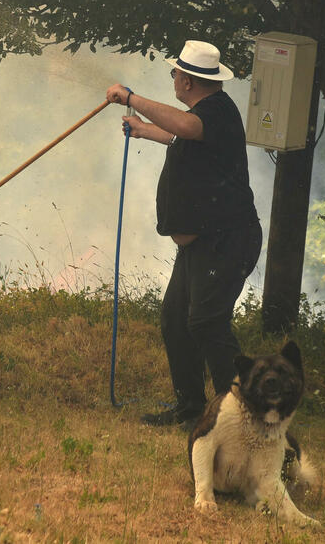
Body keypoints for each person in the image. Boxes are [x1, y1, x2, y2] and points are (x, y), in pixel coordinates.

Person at [105, 39, 262, 427]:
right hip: (204, 244)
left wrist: (131, 98)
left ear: (188, 82)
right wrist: (144, 131)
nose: (174, 78)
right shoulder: (207, 114)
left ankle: (241, 414)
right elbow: (182, 136)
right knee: (177, 320)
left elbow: (187, 127)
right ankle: (191, 409)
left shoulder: (215, 112)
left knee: (207, 322)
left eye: (176, 73)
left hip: (226, 240)